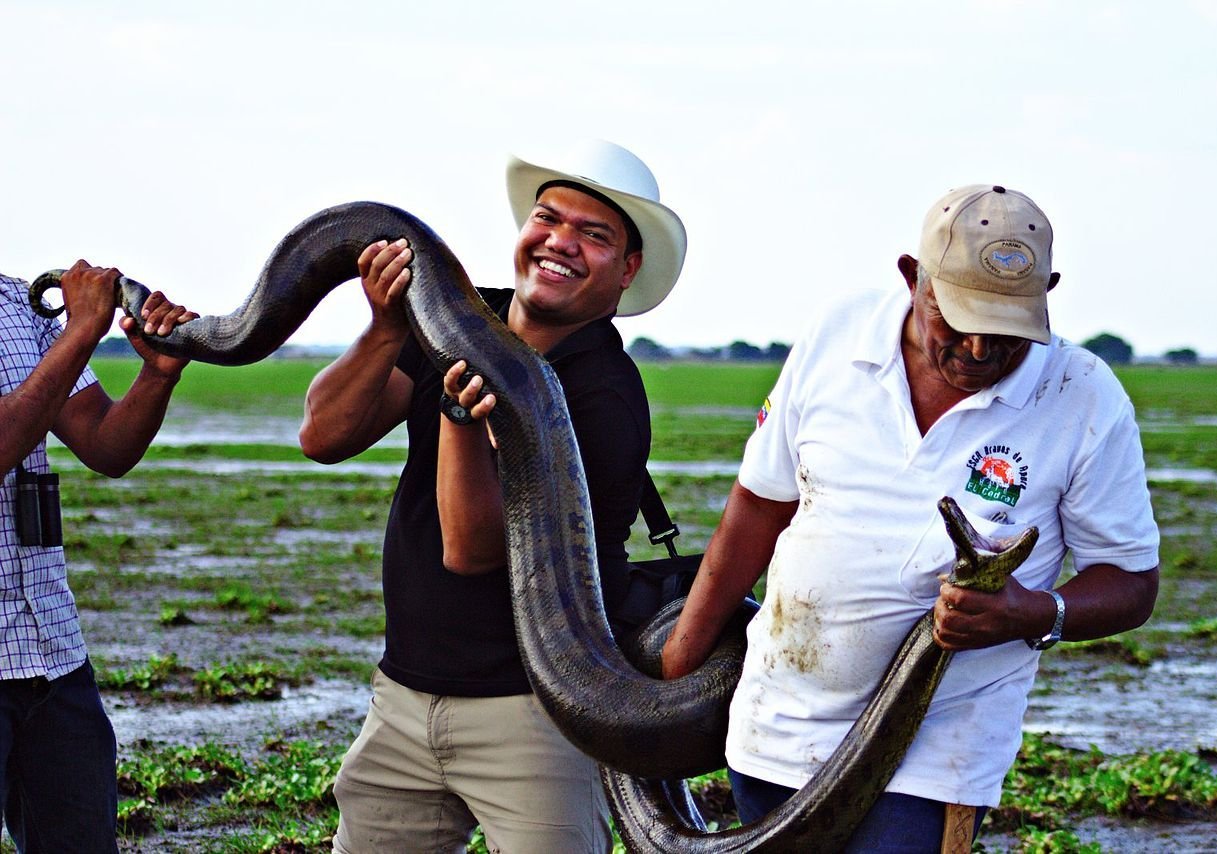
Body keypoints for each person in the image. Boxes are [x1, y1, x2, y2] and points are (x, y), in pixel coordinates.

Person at [662, 184, 1160, 851]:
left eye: (1007, 328)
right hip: (773, 733)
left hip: (933, 765)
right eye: (956, 318)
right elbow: (760, 503)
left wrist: (1033, 613)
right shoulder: (838, 336)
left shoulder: (1083, 393)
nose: (980, 348)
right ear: (911, 276)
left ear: (1048, 293)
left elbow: (1130, 581)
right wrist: (683, 654)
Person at [300, 139, 687, 853]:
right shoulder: (457, 320)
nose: (561, 242)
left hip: (536, 720)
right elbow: (323, 433)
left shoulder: (604, 396)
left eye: (594, 234)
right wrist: (388, 329)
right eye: (549, 218)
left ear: (627, 269)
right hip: (403, 700)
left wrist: (457, 419)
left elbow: (472, 549)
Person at [1, 261, 196, 852]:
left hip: (51, 656)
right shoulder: (55, 319)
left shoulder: (17, 302)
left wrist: (158, 375)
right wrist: (83, 330)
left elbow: (106, 444)